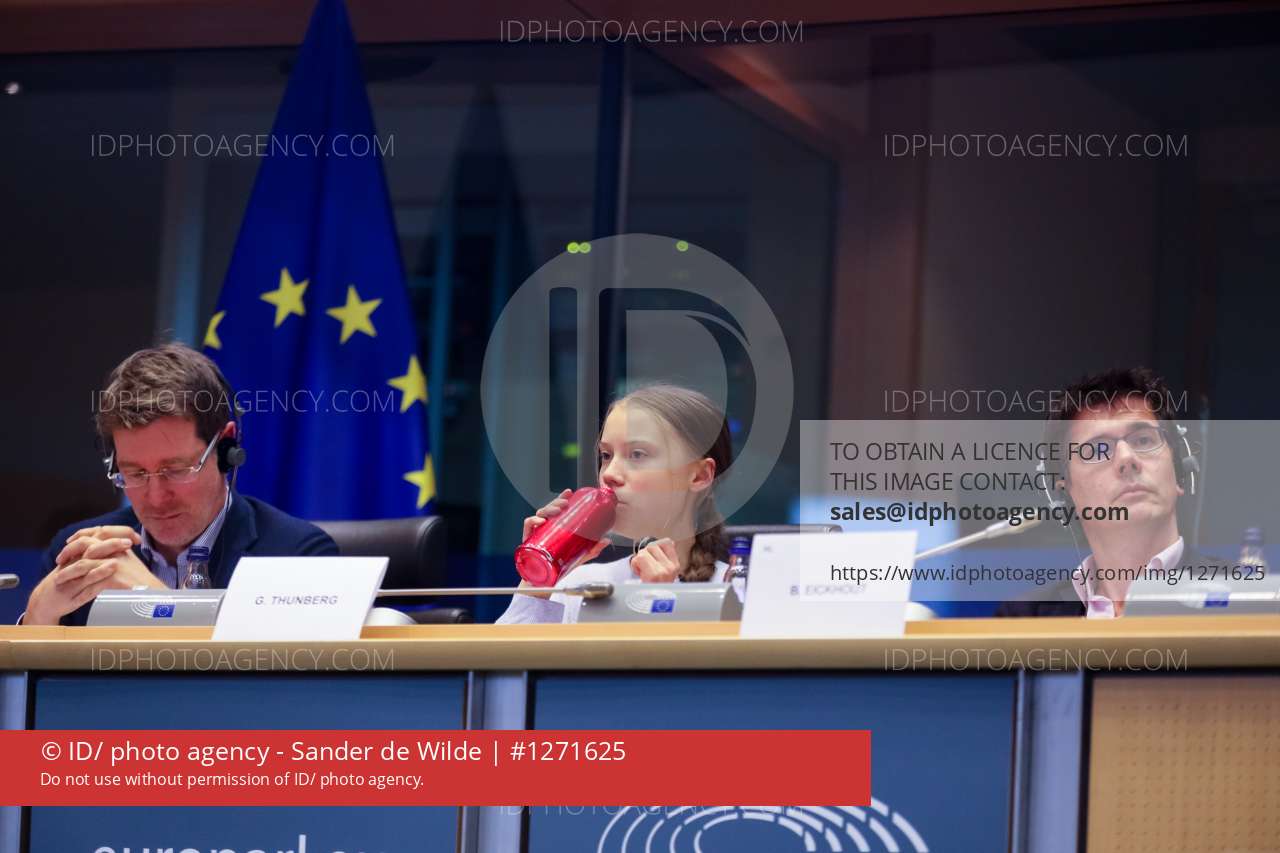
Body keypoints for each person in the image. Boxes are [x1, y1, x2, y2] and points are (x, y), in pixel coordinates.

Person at [22, 344, 337, 626]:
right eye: (135, 473)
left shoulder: (298, 557)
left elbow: (267, 673)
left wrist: (151, 598)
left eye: (175, 470)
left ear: (225, 448)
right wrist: (38, 617)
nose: (156, 498)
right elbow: (38, 673)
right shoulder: (80, 554)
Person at [497, 384, 732, 624]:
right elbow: (509, 650)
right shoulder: (583, 585)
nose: (609, 474)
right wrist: (538, 578)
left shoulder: (738, 593)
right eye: (606, 455)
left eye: (637, 454)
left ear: (699, 476)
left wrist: (658, 603)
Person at [997, 366, 1210, 618]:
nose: (1126, 458)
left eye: (1143, 440)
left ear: (1178, 470)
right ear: (1065, 493)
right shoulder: (1023, 620)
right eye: (1098, 449)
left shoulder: (1242, 597)